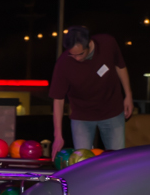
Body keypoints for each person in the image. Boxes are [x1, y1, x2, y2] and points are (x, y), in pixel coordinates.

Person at [49, 26, 133, 154]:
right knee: (82, 161)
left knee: (117, 159)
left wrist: (128, 95)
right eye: (72, 54)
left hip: (112, 111)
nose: (76, 58)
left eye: (80, 54)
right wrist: (58, 136)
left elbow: (120, 66)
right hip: (82, 116)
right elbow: (58, 100)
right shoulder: (63, 63)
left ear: (89, 43)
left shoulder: (108, 44)